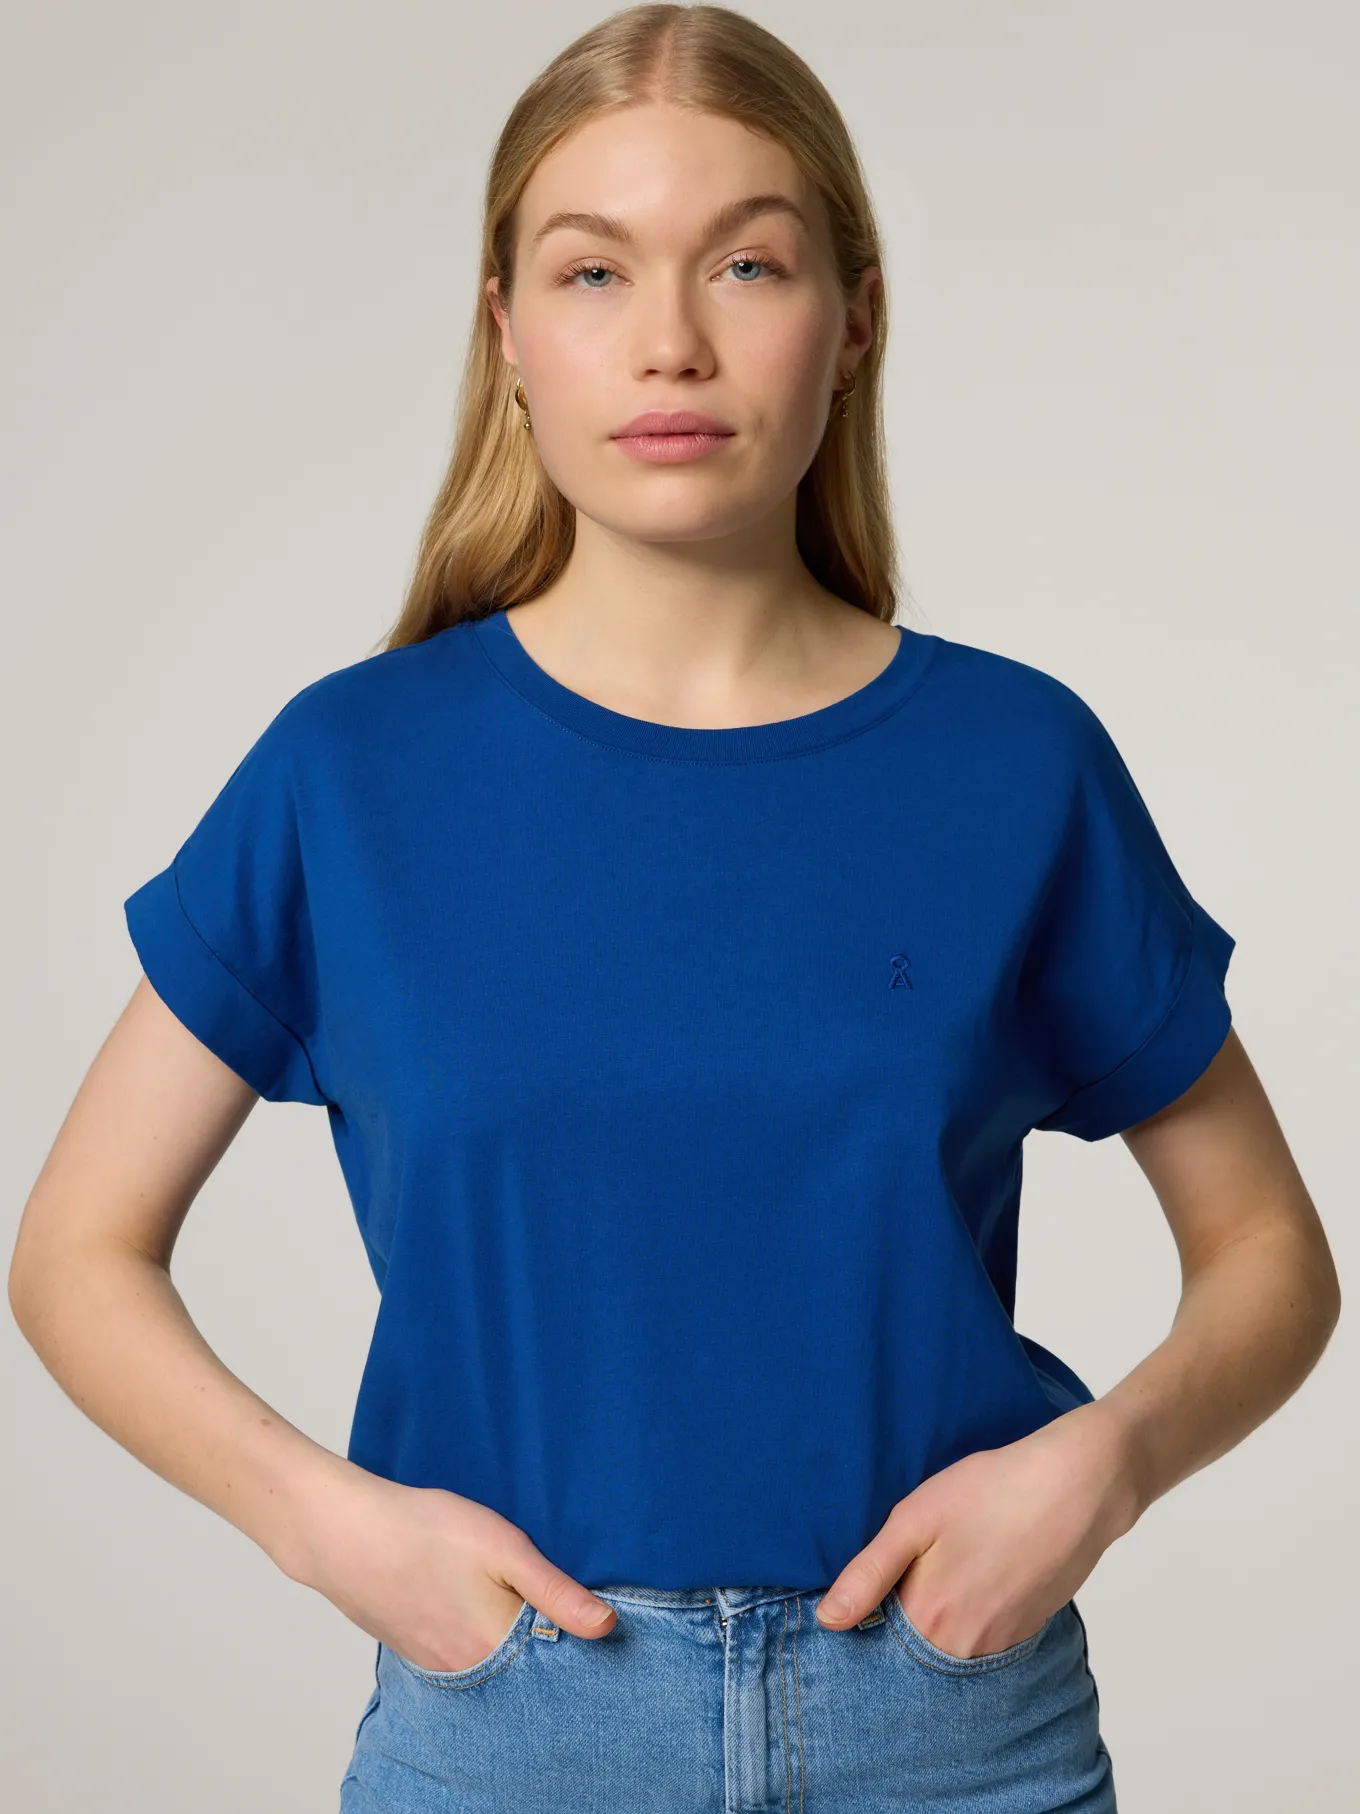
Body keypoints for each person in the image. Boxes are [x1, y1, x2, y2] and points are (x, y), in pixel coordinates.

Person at [10, 6, 1340, 1810]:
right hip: (510, 1730)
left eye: (747, 263)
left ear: (854, 319)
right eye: (592, 271)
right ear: (506, 332)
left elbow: (1269, 1252)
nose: (670, 341)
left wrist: (1101, 1468)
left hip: (952, 1730)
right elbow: (76, 1250)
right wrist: (331, 1526)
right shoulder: (351, 772)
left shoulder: (1020, 762)